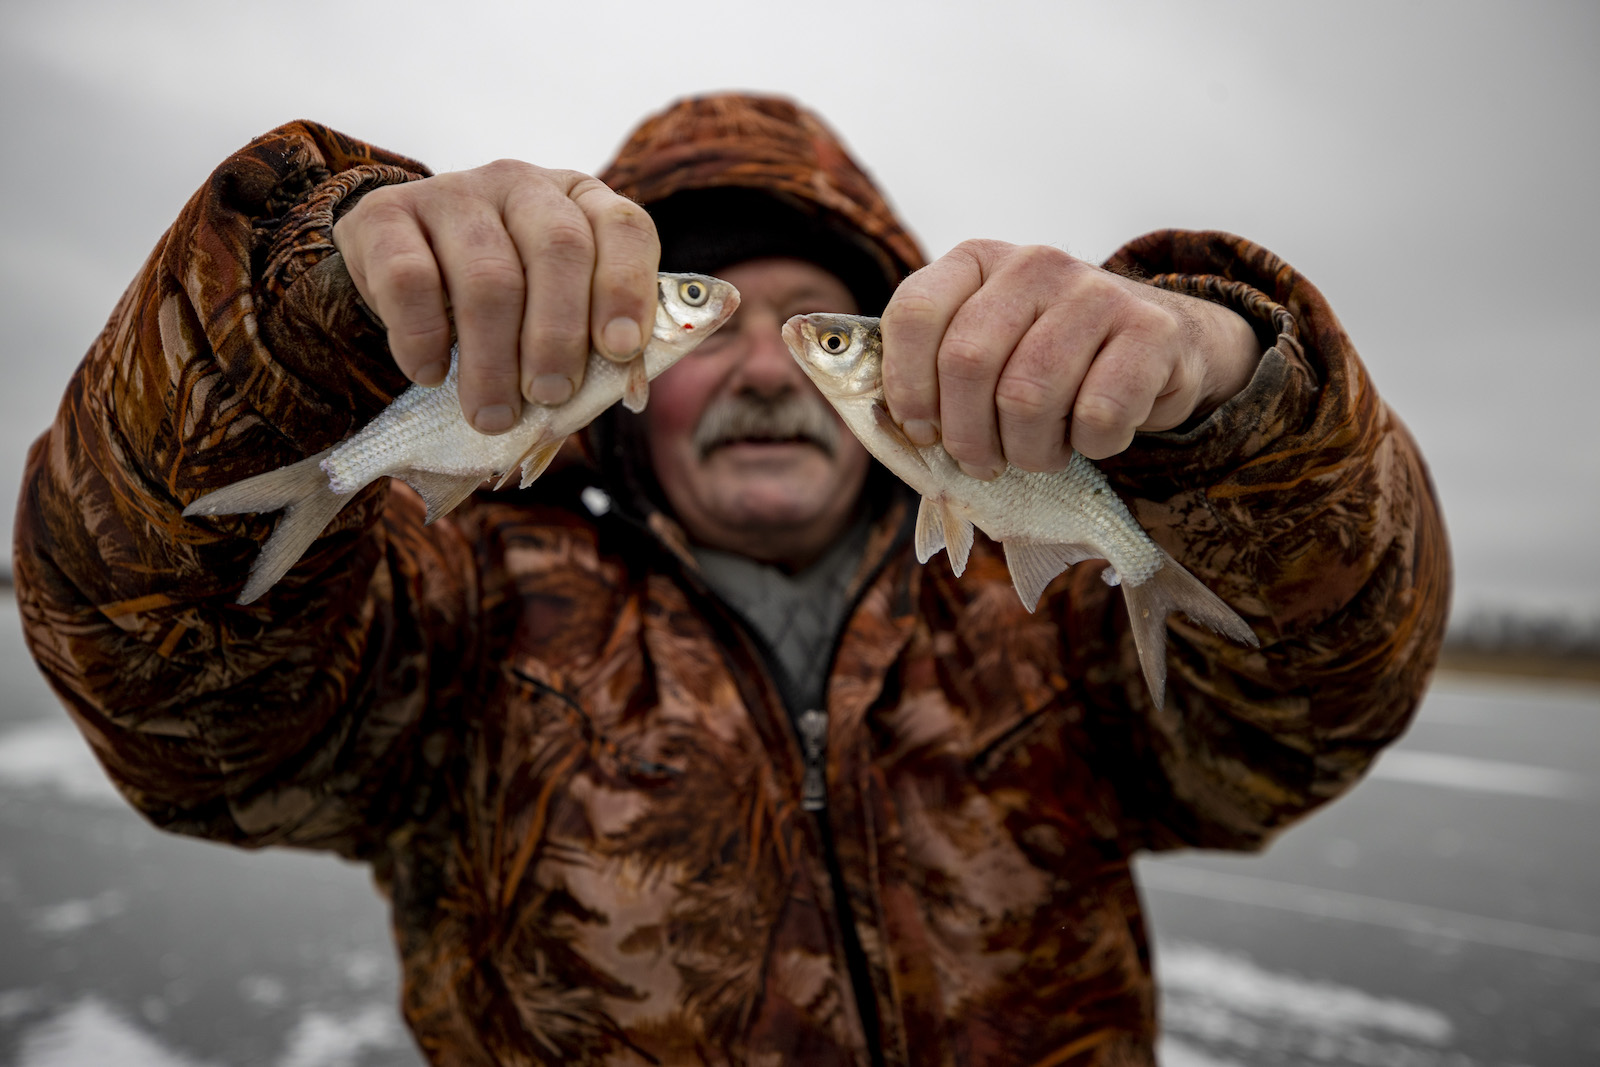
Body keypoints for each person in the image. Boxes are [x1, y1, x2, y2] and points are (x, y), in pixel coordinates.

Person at [13, 93, 1449, 1065]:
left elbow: (1310, 706)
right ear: (621, 376)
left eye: (817, 327)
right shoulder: (458, 613)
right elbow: (167, 676)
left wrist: (1239, 411)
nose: (766, 370)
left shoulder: (1053, 617)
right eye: (710, 324)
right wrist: (288, 312)